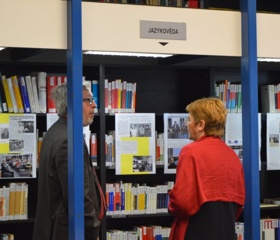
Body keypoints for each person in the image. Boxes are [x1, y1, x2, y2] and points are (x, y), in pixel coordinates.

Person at [33, 81, 106, 240]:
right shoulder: (68, 139)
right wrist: (93, 231)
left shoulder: (54, 132)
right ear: (72, 103)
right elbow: (78, 195)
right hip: (67, 232)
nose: (94, 105)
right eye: (88, 100)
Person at [168, 97, 245, 240]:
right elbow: (239, 203)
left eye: (189, 120)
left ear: (201, 125)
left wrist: (171, 200)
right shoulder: (232, 156)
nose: (186, 124)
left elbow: (181, 203)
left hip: (195, 230)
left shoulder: (190, 151)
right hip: (225, 231)